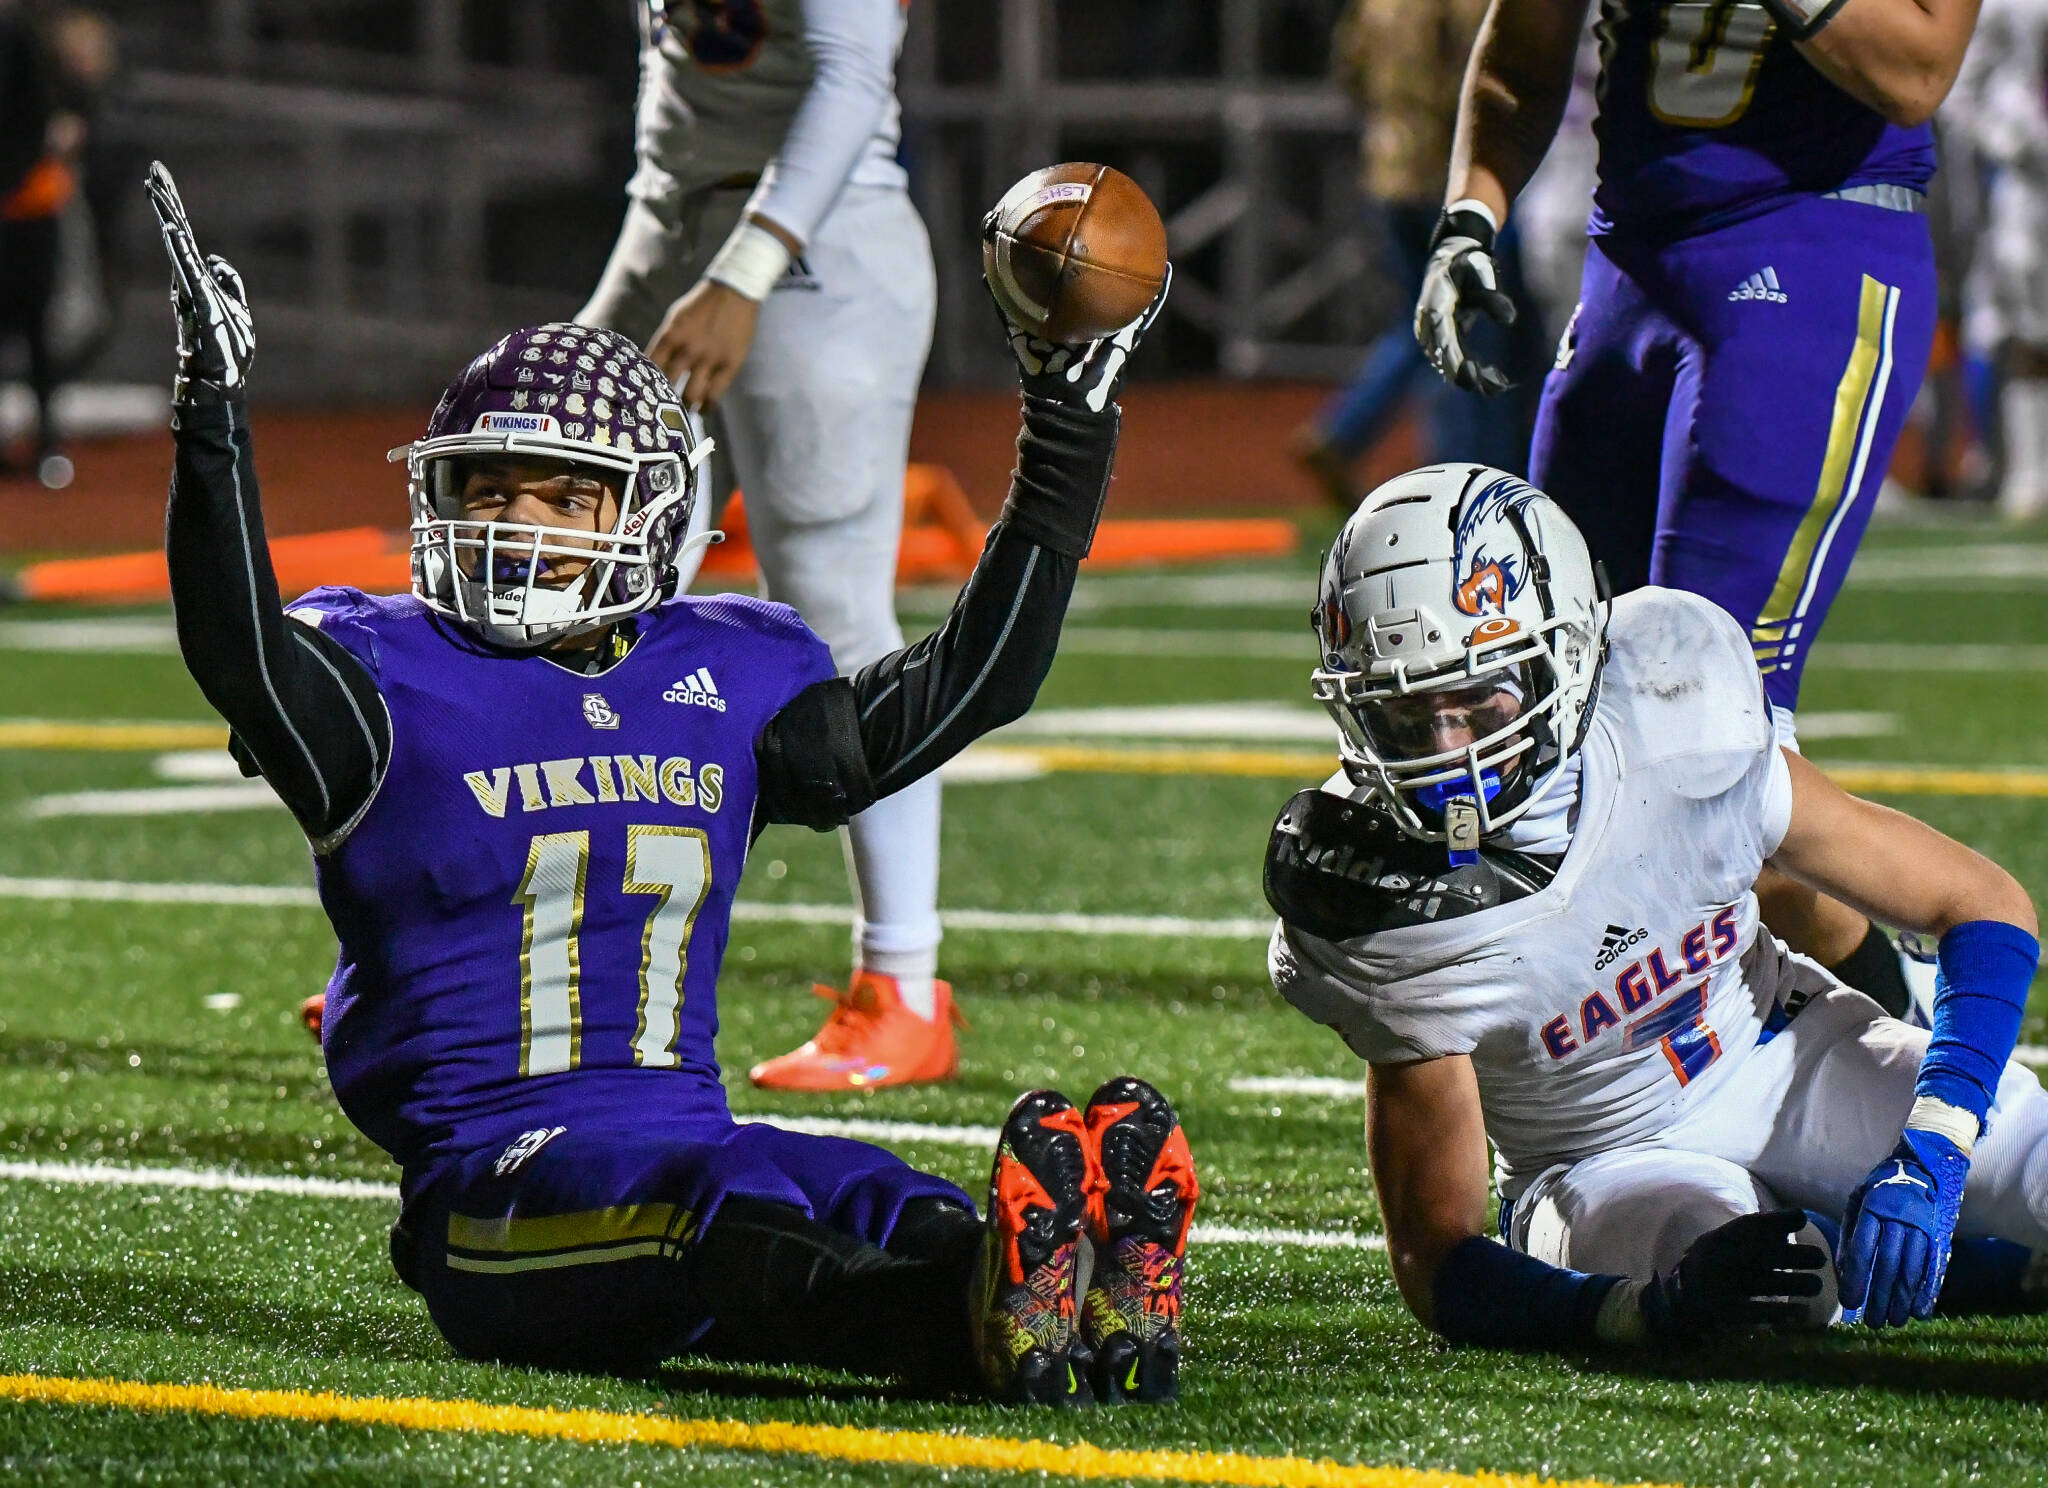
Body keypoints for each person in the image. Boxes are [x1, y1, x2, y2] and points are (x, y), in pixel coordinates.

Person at [143, 161, 1198, 1405]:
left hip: (691, 1134)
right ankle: (976, 1323)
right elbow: (234, 644)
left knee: (869, 1191)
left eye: (566, 496)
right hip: (495, 1188)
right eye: (491, 489)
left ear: (648, 516)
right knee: (724, 1209)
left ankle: (1058, 1289)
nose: (519, 522)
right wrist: (212, 422)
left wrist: (1068, 428)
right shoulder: (384, 677)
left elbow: (973, 686)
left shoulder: (725, 670)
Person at [1266, 466, 2045, 1350]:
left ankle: (1984, 1250)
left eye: (1480, 700)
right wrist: (1638, 1312)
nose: (1451, 755)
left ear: (1564, 654)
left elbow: (1982, 904)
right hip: (1598, 1162)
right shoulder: (1373, 892)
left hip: (1783, 1052)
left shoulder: (1674, 708)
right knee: (1743, 1296)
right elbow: (1436, 1251)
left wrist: (1936, 1145)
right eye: (1408, 717)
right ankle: (1996, 1273)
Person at [1414, 0, 1987, 1019]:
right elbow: (1526, 40)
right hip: (1627, 266)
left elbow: (1913, 65)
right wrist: (1470, 212)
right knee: (1552, 717)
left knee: (1718, 758)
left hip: (1812, 253)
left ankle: (1929, 1070)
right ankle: (1624, 1090)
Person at [576, 0, 956, 1092]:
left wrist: (745, 267)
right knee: (566, 586)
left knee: (833, 614)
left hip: (813, 243)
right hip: (672, 220)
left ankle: (905, 987)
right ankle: (481, 952)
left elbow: (851, 69)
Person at [1290, 0, 1543, 509]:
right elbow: (1493, 76)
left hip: (1388, 172)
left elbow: (1350, 74)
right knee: (1473, 333)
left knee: (1426, 317)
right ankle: (1473, 482)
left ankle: (1347, 431)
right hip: (1450, 177)